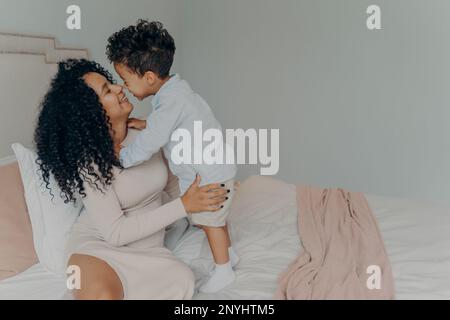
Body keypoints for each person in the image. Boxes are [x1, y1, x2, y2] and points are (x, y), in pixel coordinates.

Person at [34, 59, 229, 299]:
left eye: (112, 83)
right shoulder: (90, 163)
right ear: (91, 113)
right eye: (107, 91)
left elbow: (174, 186)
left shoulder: (149, 136)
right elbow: (115, 232)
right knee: (102, 296)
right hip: (99, 247)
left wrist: (206, 198)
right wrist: (184, 206)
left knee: (184, 281)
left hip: (150, 252)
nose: (119, 89)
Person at [106, 20, 239, 292]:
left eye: (126, 79)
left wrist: (122, 156)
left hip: (208, 175)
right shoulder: (177, 93)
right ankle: (231, 253)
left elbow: (149, 144)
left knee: (209, 221)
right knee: (215, 220)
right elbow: (177, 123)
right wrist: (148, 123)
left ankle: (224, 270)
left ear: (149, 78)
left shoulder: (170, 103)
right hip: (216, 169)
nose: (124, 87)